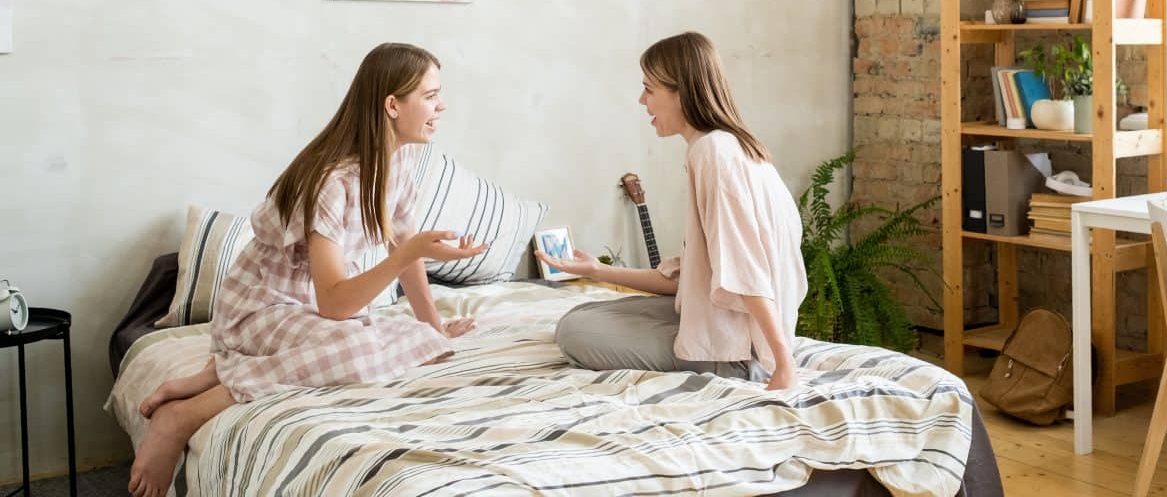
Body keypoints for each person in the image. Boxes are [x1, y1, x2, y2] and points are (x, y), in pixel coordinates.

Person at [128, 43, 486, 497]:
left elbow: (406, 248)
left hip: (301, 315)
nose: (442, 105)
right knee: (358, 347)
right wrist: (402, 254)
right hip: (259, 311)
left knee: (418, 342)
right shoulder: (334, 182)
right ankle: (183, 415)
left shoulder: (396, 168)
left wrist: (434, 326)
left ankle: (220, 370)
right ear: (393, 105)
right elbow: (336, 304)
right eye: (431, 95)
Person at [536, 31, 807, 391]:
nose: (641, 100)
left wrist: (783, 364)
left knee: (575, 332)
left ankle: (741, 367)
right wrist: (597, 270)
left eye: (649, 89)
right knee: (581, 314)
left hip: (738, 350)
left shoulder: (713, 154)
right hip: (724, 324)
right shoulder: (729, 146)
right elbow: (692, 277)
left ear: (681, 92)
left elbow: (746, 268)